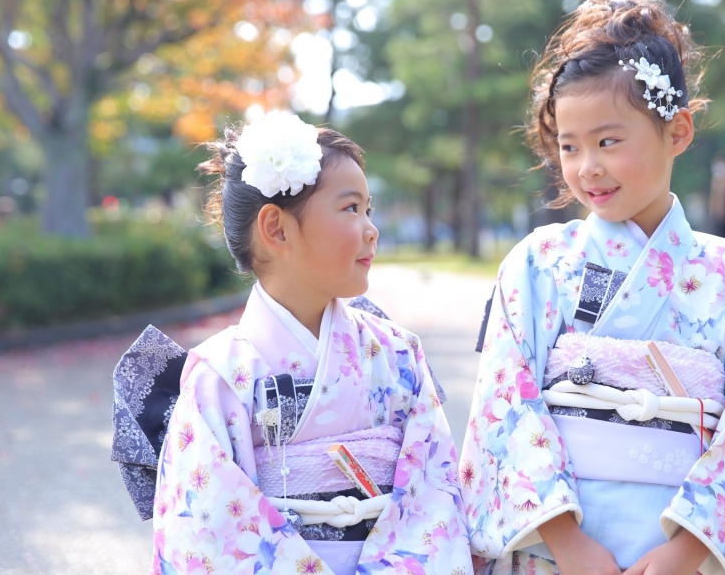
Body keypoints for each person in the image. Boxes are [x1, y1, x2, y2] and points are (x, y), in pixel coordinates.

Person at [458, 0, 725, 575]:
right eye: (570, 146)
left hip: (684, 547)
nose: (587, 166)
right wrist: (569, 546)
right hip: (556, 547)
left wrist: (685, 551)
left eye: (608, 141)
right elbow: (504, 408)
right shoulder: (538, 262)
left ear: (678, 132)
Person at [118, 112, 471, 575]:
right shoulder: (219, 374)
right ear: (277, 228)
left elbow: (433, 494)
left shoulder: (398, 354)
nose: (371, 228)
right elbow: (207, 533)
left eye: (369, 210)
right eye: (350, 209)